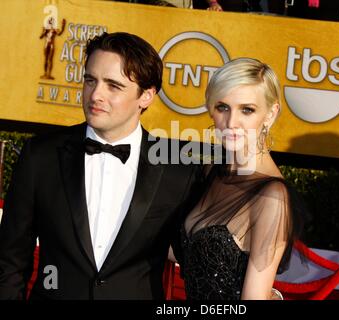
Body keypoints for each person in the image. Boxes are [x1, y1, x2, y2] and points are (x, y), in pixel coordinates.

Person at [0, 32, 203, 300]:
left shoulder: (178, 168)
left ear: (147, 96)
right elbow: (10, 260)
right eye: (90, 80)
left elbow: (197, 265)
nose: (96, 94)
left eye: (113, 86)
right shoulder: (41, 156)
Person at [173, 58, 305, 300]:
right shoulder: (212, 171)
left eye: (247, 110)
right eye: (222, 107)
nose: (231, 123)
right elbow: (189, 254)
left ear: (271, 114)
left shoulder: (271, 197)